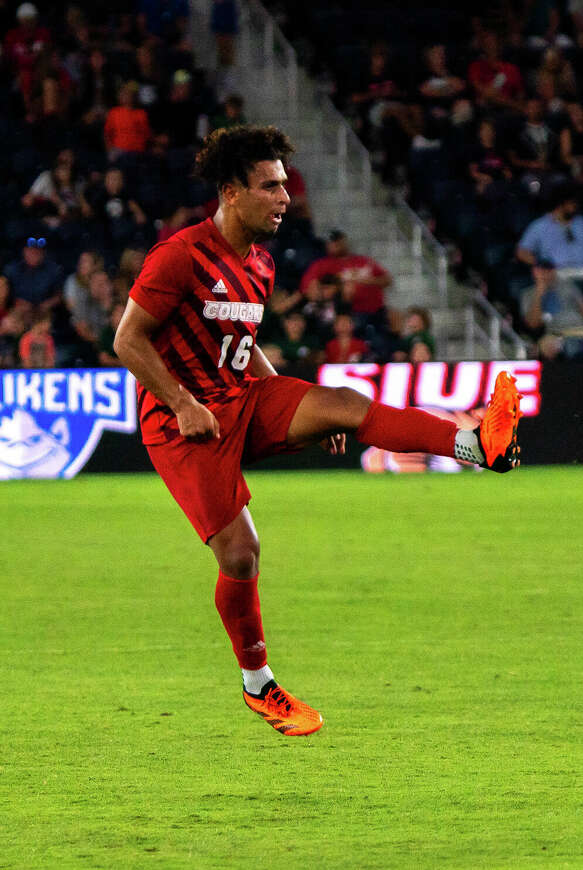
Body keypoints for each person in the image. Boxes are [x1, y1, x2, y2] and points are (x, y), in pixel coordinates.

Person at [113, 125, 523, 737]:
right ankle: (259, 685)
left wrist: (292, 403)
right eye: (270, 186)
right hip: (180, 426)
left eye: (285, 185)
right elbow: (127, 339)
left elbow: (243, 347)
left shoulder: (260, 264)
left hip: (239, 399)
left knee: (344, 403)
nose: (285, 197)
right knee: (242, 555)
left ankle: (478, 445)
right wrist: (180, 402)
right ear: (231, 193)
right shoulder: (179, 256)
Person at [520, 259, 583, 339]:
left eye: (548, 270)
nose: (544, 273)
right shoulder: (527, 294)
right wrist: (539, 293)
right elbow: (532, 324)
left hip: (581, 329)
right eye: (540, 270)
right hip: (556, 335)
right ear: (534, 272)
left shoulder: (567, 285)